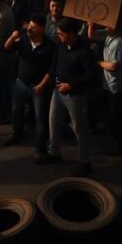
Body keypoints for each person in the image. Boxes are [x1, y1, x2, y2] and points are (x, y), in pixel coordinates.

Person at [37, 18, 97, 176]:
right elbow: (53, 65)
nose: (59, 36)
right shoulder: (61, 46)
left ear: (71, 34)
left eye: (61, 34)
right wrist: (47, 81)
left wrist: (72, 85)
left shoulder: (85, 51)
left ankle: (85, 161)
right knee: (53, 123)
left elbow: (91, 75)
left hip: (75, 96)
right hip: (57, 91)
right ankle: (54, 152)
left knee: (79, 129)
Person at [3, 14, 56, 153]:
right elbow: (7, 47)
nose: (30, 29)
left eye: (34, 27)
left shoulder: (50, 46)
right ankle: (17, 133)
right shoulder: (24, 40)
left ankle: (40, 148)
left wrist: (42, 85)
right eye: (30, 26)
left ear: (42, 28)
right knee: (16, 111)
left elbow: (51, 70)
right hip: (21, 83)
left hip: (38, 87)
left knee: (40, 119)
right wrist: (12, 37)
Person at [88, 18, 122, 155]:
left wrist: (99, 62)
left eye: (108, 25)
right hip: (109, 84)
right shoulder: (110, 35)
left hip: (118, 87)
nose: (105, 27)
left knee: (118, 118)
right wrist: (91, 24)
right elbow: (92, 35)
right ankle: (116, 143)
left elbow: (114, 66)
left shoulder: (121, 43)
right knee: (112, 117)